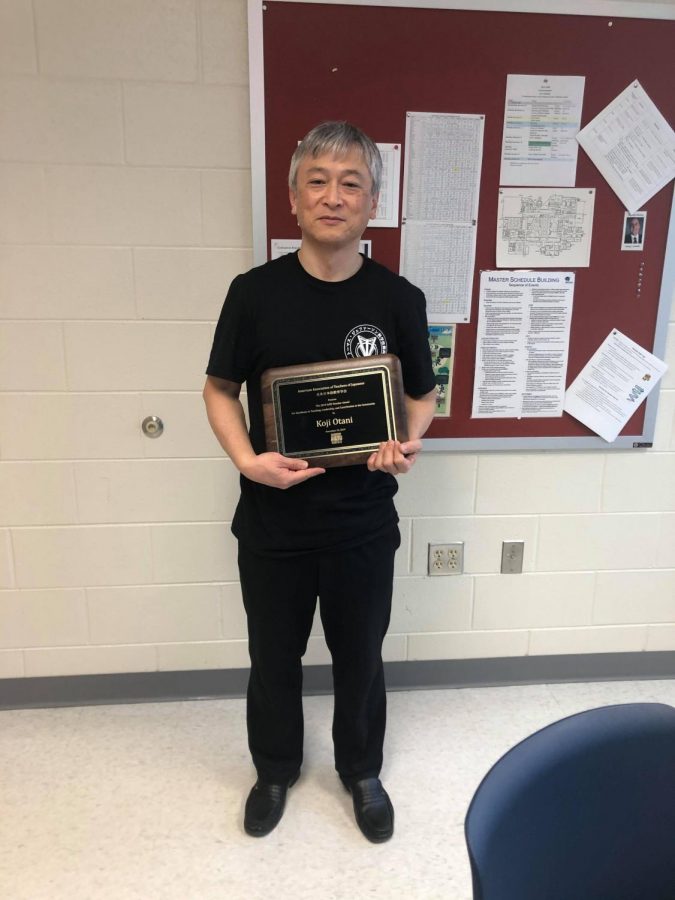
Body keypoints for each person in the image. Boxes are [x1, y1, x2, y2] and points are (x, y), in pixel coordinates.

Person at [203, 121, 436, 843]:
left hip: (362, 522)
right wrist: (247, 462)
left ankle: (359, 770)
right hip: (273, 525)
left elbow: (421, 393)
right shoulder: (252, 293)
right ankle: (274, 769)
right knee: (271, 658)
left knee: (360, 658)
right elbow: (218, 388)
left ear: (371, 203)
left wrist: (407, 441)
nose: (333, 196)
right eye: (318, 181)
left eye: (351, 184)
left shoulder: (398, 298)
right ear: (294, 198)